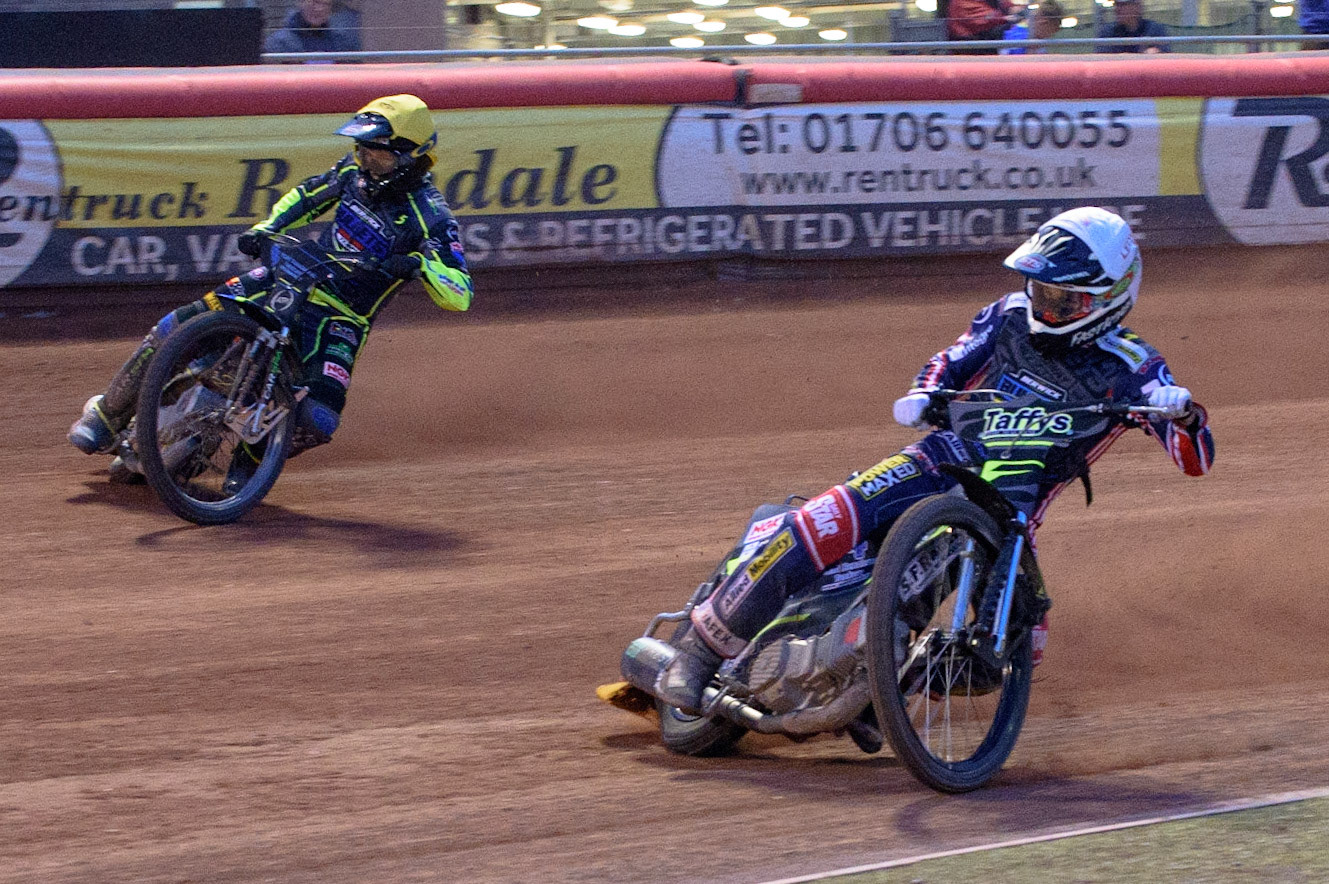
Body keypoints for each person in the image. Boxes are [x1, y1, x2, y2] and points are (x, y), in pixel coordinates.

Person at [655, 207, 1215, 714]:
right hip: (939, 458)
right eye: (1040, 290)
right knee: (827, 517)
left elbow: (1196, 461)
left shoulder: (1134, 365)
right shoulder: (1009, 316)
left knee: (1026, 643)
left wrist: (1183, 416)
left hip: (1010, 514)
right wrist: (926, 394)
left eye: (1063, 299)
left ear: (1110, 297)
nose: (1046, 305)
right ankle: (700, 653)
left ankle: (880, 690)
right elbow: (949, 361)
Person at [69, 94, 474, 484]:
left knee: (319, 419)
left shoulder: (432, 217)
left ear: (410, 156)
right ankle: (106, 417)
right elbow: (305, 197)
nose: (365, 158)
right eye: (361, 148)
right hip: (294, 275)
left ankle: (249, 465)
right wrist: (267, 229)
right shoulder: (354, 175)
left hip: (342, 315)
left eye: (377, 151)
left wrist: (419, 264)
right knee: (177, 325)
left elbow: (460, 291)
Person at [265, 0, 361, 58]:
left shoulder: (341, 44)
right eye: (314, 2)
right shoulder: (279, 43)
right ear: (301, 3)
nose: (319, 9)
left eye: (325, 4)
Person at [1094, 0, 1170, 54]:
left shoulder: (1155, 29)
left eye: (1123, 5)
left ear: (1137, 7)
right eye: (1116, 4)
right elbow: (1102, 60)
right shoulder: (1107, 32)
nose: (1117, 9)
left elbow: (1165, 58)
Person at [945, 0, 1019, 54]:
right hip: (969, 44)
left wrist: (1011, 7)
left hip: (983, 38)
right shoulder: (961, 3)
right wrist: (1004, 18)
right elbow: (982, 19)